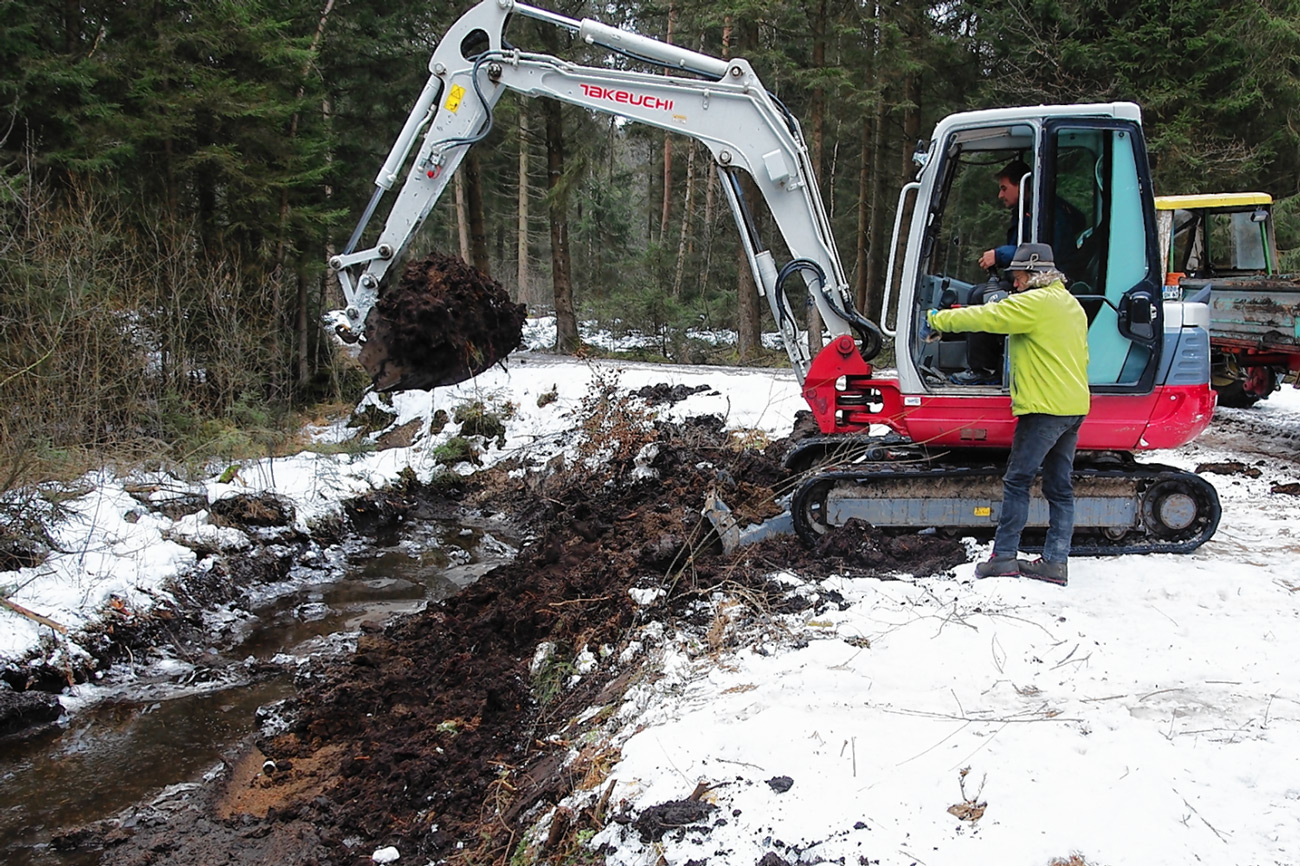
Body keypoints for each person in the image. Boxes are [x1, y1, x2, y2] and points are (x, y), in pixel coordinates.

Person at [923, 242, 1090, 585]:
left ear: (1034, 274)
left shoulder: (1035, 302)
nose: (1014, 285)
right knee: (1059, 487)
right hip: (1073, 407)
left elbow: (989, 316)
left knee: (1017, 481)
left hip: (1044, 409)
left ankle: (1003, 557)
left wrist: (937, 318)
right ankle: (1056, 562)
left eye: (1017, 278)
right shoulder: (1070, 305)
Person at [978, 160, 1084, 275]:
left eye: (1004, 189)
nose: (1000, 195)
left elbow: (1042, 254)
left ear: (1023, 185)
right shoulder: (1027, 211)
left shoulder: (1048, 214)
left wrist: (999, 255)